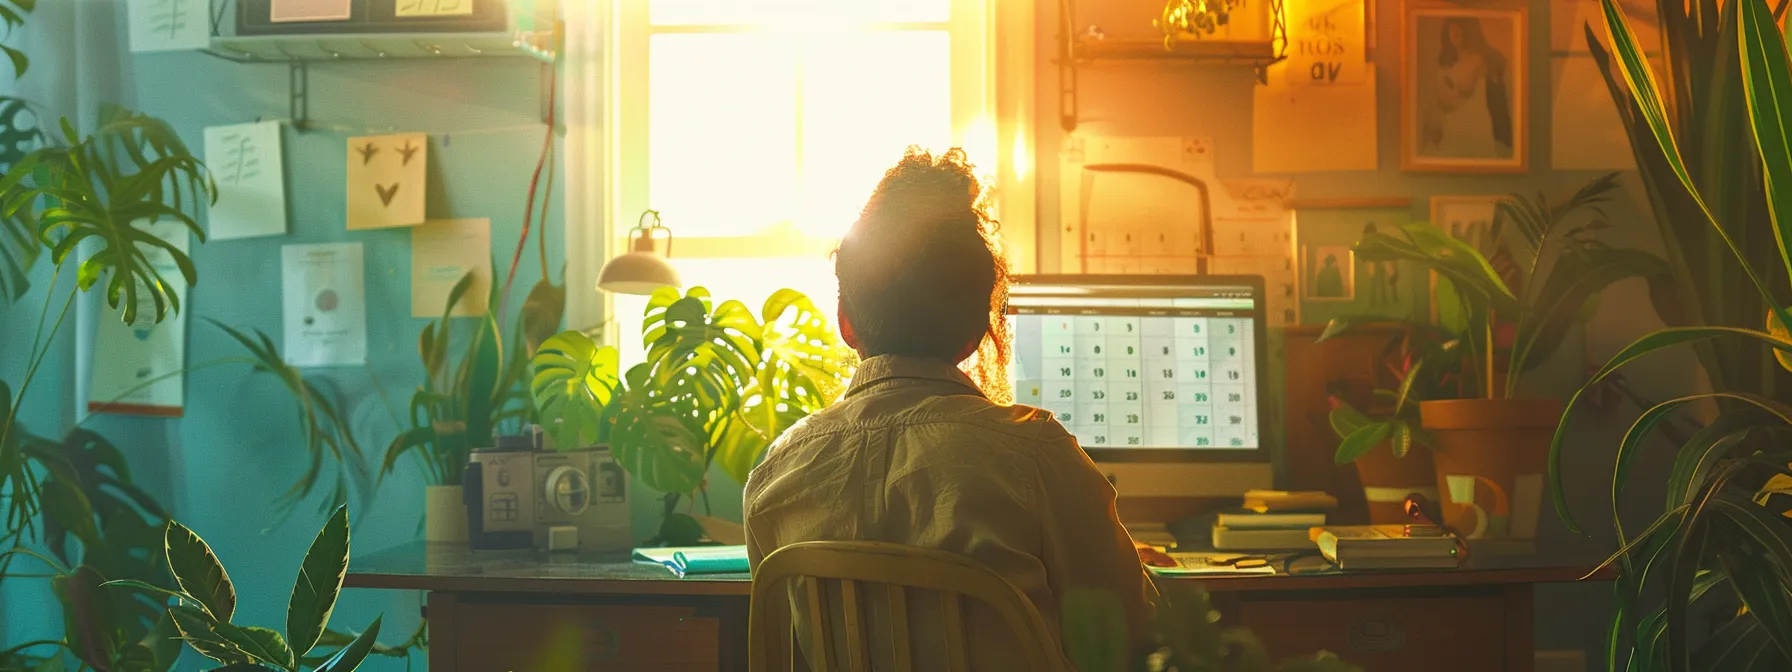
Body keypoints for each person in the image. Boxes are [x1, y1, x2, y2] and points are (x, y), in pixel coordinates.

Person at [743, 147, 1156, 668]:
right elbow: (1130, 637)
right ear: (974, 334)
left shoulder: (778, 471)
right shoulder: (1035, 451)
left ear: (846, 323)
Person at [1421, 17, 1513, 159]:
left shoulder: (1477, 59)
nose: (1454, 35)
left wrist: (1442, 89)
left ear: (1469, 32)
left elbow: (1452, 99)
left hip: (1472, 128)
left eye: (1459, 31)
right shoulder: (1451, 63)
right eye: (1451, 32)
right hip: (1454, 129)